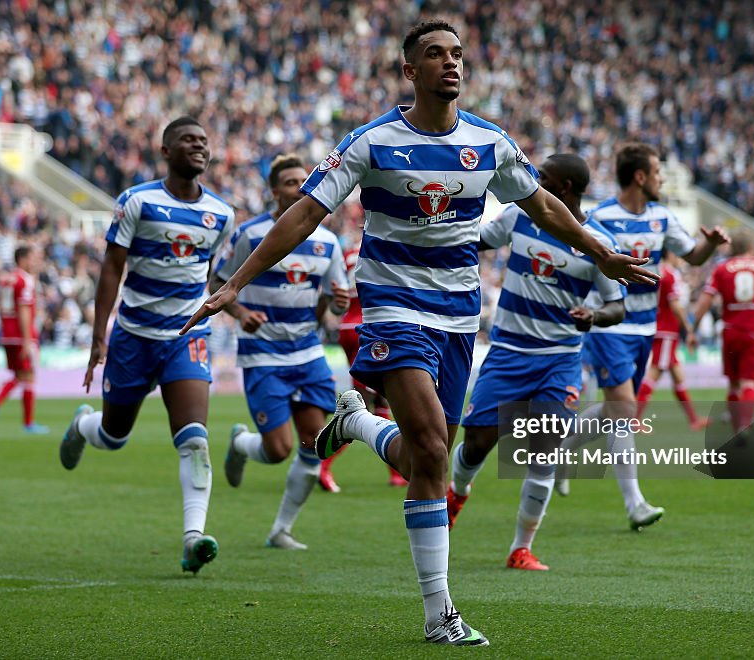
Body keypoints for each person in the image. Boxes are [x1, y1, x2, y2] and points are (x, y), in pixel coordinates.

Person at [181, 21, 656, 645]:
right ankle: (440, 615)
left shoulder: (489, 142)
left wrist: (603, 253)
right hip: (394, 309)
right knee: (434, 449)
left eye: (457, 54)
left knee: (422, 457)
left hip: (459, 316)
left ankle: (356, 425)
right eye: (435, 54)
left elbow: (542, 207)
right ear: (411, 70)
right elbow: (304, 213)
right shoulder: (373, 140)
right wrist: (237, 282)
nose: (450, 63)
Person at [59, 117, 234, 575]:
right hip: (133, 336)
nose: (198, 146)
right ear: (165, 150)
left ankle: (193, 538)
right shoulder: (137, 201)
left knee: (195, 439)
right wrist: (100, 335)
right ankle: (84, 427)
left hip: (186, 336)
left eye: (203, 140)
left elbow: (212, 272)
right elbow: (111, 268)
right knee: (114, 437)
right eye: (187, 140)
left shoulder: (221, 214)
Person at [447, 153, 625, 571]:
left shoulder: (597, 242)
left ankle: (520, 548)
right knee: (477, 443)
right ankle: (457, 491)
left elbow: (617, 307)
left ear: (562, 188)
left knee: (543, 453)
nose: (533, 181)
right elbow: (475, 241)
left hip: (559, 361)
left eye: (541, 177)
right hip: (508, 353)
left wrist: (594, 315)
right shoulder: (518, 216)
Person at [563, 142, 729, 528]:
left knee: (614, 411)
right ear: (640, 177)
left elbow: (692, 255)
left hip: (645, 329)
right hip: (610, 323)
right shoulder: (600, 216)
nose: (660, 179)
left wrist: (712, 243)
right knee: (623, 410)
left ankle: (558, 450)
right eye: (656, 173)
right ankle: (635, 503)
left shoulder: (662, 217)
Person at [211, 153, 349, 550]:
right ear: (274, 192)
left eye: (304, 182)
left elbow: (328, 307)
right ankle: (241, 443)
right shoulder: (250, 235)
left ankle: (281, 530)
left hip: (306, 353)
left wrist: (337, 304)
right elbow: (219, 285)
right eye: (290, 182)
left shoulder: (327, 242)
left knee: (314, 443)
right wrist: (239, 312)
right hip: (263, 354)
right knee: (277, 450)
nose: (299, 188)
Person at [318, 238, 408, 493]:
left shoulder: (348, 251)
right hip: (371, 326)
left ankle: (396, 472)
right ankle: (322, 466)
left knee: (380, 400)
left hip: (347, 325)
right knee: (363, 406)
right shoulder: (384, 243)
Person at [688, 229, 754, 435]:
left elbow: (705, 301)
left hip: (730, 332)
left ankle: (736, 425)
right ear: (751, 247)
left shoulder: (722, 269)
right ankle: (743, 425)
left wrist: (691, 329)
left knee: (733, 384)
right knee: (750, 381)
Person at [634, 251, 709, 430]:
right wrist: (689, 329)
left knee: (678, 377)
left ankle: (693, 420)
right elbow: (674, 304)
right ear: (670, 253)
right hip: (667, 329)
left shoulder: (653, 270)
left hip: (654, 326)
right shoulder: (670, 274)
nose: (679, 257)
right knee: (655, 372)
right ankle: (633, 420)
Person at [0, 245, 49, 434]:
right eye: (32, 258)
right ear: (22, 259)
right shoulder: (25, 280)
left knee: (20, 375)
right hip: (21, 334)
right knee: (29, 376)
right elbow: (23, 310)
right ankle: (28, 423)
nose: (36, 262)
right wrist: (27, 339)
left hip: (8, 334)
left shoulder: (8, 279)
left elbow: (3, 306)